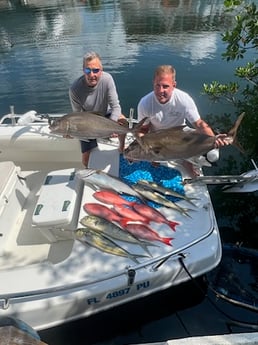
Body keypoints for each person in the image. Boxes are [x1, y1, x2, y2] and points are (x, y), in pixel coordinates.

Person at [137, 65, 228, 169]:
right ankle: (157, 159)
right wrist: (143, 148)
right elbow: (143, 129)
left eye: (165, 86)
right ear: (153, 83)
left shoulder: (184, 99)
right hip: (157, 138)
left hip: (180, 135)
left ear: (174, 85)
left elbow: (199, 124)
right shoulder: (145, 103)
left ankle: (188, 160)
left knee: (213, 156)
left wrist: (214, 140)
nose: (160, 91)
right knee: (153, 160)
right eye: (157, 85)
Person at [69, 51, 126, 167]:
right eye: (87, 70)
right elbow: (77, 116)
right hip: (87, 123)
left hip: (106, 116)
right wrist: (71, 131)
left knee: (123, 120)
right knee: (86, 160)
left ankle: (121, 147)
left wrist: (112, 125)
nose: (92, 75)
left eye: (95, 70)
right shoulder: (75, 89)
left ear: (101, 70)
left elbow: (115, 107)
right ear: (83, 70)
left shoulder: (107, 79)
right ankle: (92, 176)